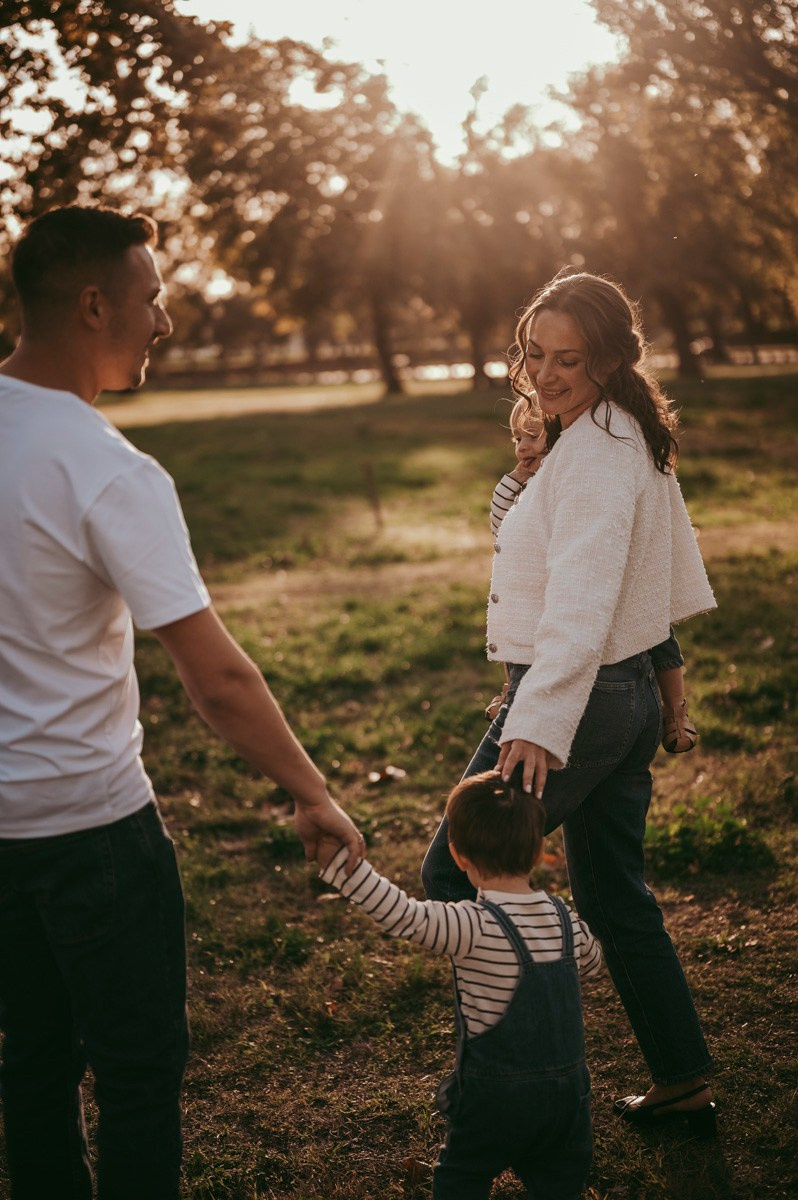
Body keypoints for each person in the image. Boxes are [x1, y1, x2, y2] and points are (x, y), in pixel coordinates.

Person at [0, 205, 363, 1200]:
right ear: (92, 304)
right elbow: (218, 678)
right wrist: (311, 791)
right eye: (153, 299)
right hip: (91, 833)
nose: (164, 322)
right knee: (137, 1077)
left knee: (27, 1066)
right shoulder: (109, 468)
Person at [421, 270, 718, 1137]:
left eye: (569, 360)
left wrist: (538, 719)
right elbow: (618, 574)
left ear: (609, 357)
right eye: (535, 355)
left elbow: (586, 598)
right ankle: (683, 1075)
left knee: (453, 872)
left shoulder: (598, 451)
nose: (545, 375)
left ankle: (513, 1083)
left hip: (579, 705)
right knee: (616, 895)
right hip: (616, 700)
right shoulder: (613, 429)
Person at [318, 768, 602, 1200]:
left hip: (495, 1100)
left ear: (458, 854)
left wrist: (345, 870)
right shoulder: (564, 921)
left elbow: (402, 914)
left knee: (463, 1178)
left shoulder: (469, 926)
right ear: (539, 848)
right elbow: (594, 962)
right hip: (569, 1100)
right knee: (559, 1183)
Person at [486, 399, 699, 754]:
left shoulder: (582, 467)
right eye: (516, 439)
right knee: (516, 619)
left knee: (659, 631)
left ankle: (675, 707)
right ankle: (512, 691)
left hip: (618, 591)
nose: (523, 446)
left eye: (533, 436)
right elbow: (500, 526)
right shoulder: (527, 486)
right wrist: (516, 479)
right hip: (543, 587)